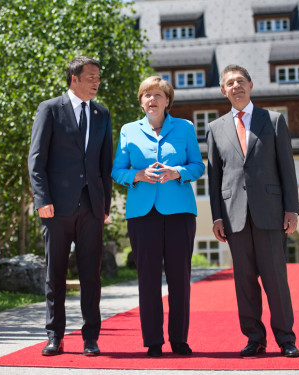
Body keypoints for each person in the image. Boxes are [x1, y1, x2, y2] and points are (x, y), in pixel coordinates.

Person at [206, 64, 299, 358]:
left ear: (251, 85)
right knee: (244, 281)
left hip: (270, 213)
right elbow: (214, 177)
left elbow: (287, 168)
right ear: (223, 91)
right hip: (234, 216)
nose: (236, 86)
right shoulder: (215, 128)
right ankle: (254, 338)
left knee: (275, 279)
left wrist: (291, 209)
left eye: (241, 81)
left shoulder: (272, 120)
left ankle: (286, 339)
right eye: (230, 83)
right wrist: (217, 216)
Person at [112, 76, 205, 357]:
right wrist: (136, 175)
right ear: (141, 101)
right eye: (146, 95)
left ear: (168, 100)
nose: (152, 99)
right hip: (142, 214)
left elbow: (198, 166)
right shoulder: (128, 130)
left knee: (179, 277)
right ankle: (153, 341)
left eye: (158, 95)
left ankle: (179, 339)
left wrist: (178, 172)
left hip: (179, 212)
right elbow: (117, 170)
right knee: (148, 279)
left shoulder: (185, 128)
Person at [28, 56, 113, 356]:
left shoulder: (102, 114)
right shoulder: (50, 109)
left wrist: (106, 205)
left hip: (91, 207)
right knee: (56, 275)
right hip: (56, 208)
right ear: (74, 79)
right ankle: (55, 336)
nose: (96, 82)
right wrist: (42, 200)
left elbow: (105, 164)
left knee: (92, 276)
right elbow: (36, 161)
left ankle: (91, 337)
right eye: (90, 76)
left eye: (98, 77)